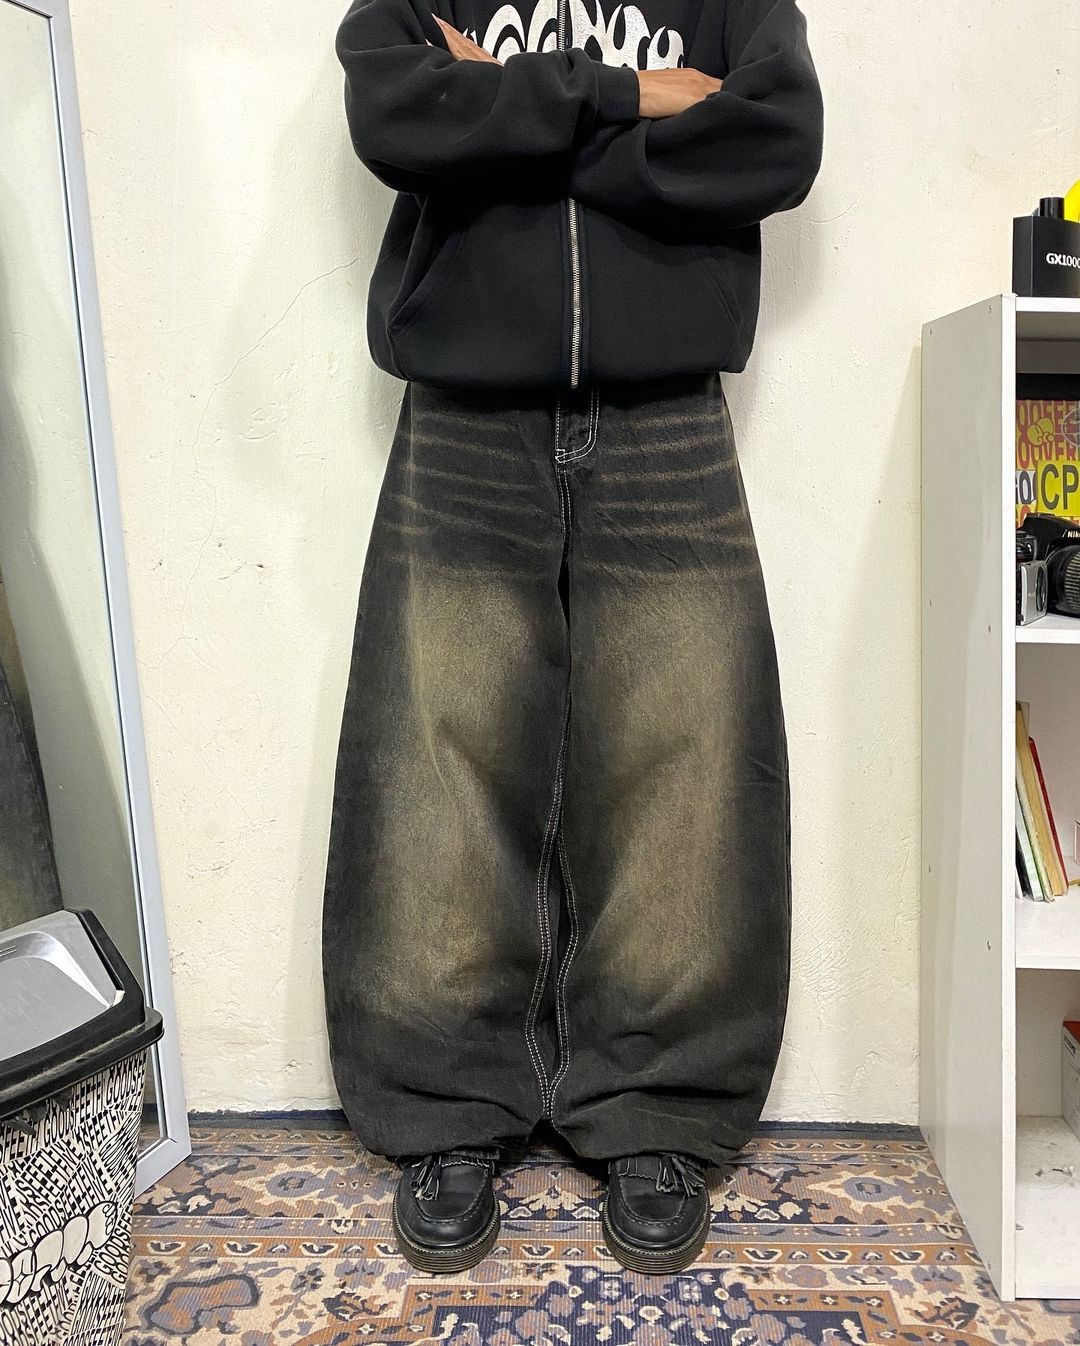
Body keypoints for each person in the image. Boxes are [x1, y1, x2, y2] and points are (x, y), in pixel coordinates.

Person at [321, 0, 823, 1276]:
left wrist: (512, 111)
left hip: (668, 403)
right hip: (465, 402)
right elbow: (393, 110)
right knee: (437, 749)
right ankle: (445, 1100)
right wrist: (632, 96)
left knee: (686, 756)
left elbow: (775, 138)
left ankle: (659, 1106)